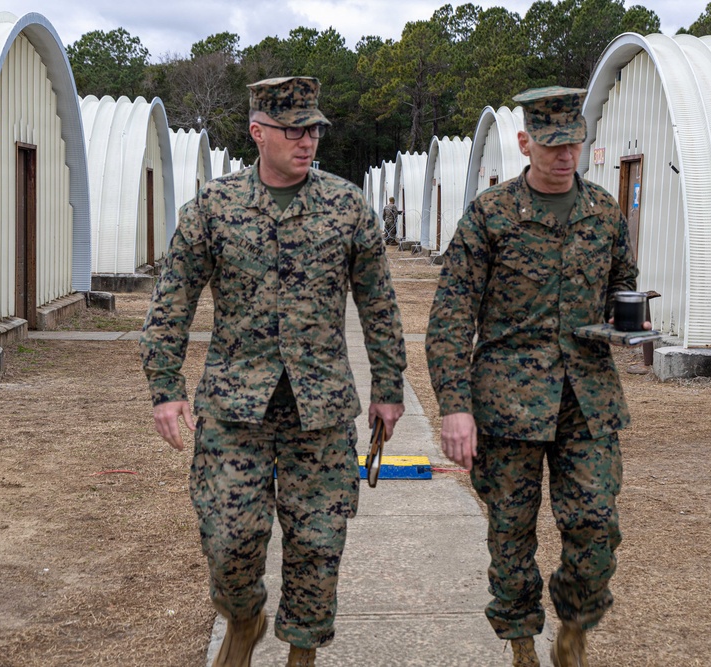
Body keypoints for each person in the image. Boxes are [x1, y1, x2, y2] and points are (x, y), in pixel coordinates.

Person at [139, 76, 406, 667]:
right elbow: (172, 301)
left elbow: (380, 305)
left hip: (321, 409)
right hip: (236, 410)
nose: (306, 140)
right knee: (229, 538)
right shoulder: (214, 207)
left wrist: (389, 388)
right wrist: (165, 388)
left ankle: (302, 654)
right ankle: (243, 616)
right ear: (259, 133)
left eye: (312, 129)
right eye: (292, 130)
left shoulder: (346, 207)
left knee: (318, 543)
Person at [425, 86, 646, 667]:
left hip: (586, 402)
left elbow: (624, 287)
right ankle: (522, 644)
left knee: (597, 524)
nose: (563, 155)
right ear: (525, 143)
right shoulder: (491, 216)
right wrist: (455, 406)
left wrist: (631, 323)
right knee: (511, 534)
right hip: (506, 404)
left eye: (572, 143)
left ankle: (574, 627)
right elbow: (450, 318)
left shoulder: (603, 213)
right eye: (551, 145)